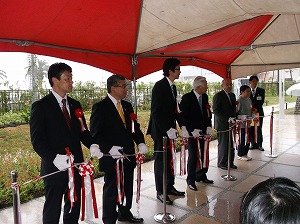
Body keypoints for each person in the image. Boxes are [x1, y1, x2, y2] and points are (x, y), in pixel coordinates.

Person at [30, 62, 103, 224]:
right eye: (67, 78)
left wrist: (92, 144)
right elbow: (37, 140)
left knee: (73, 204)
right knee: (53, 207)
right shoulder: (41, 107)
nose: (71, 82)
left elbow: (83, 131)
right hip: (55, 167)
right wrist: (54, 158)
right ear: (54, 80)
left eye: (71, 78)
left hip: (76, 164)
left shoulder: (75, 104)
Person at [90, 74, 148, 224]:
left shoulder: (127, 106)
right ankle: (109, 219)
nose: (125, 89)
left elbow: (135, 128)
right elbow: (96, 134)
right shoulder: (100, 107)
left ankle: (125, 213)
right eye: (123, 86)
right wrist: (109, 148)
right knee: (111, 188)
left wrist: (140, 142)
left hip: (127, 154)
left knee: (127, 185)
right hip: (112, 157)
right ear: (113, 88)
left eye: (126, 86)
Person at [147, 58, 189, 205]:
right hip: (160, 131)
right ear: (170, 70)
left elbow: (176, 110)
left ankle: (169, 186)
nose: (179, 71)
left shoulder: (173, 87)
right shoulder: (159, 86)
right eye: (178, 69)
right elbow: (156, 112)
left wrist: (183, 126)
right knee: (161, 162)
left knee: (170, 159)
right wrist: (166, 129)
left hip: (170, 130)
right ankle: (160, 191)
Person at [180, 76, 213, 191]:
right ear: (199, 86)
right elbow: (183, 117)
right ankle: (191, 180)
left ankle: (201, 175)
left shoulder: (205, 97)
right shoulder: (187, 98)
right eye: (205, 85)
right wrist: (190, 130)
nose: (207, 87)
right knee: (193, 156)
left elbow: (208, 112)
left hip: (203, 132)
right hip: (192, 133)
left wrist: (209, 125)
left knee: (204, 154)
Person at [213, 79, 237, 170]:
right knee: (223, 144)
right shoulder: (218, 96)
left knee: (231, 144)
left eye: (230, 84)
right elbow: (216, 111)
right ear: (222, 85)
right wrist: (227, 118)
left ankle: (230, 162)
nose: (229, 86)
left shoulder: (232, 95)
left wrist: (236, 117)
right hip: (222, 124)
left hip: (231, 124)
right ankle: (222, 163)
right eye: (227, 84)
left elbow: (233, 109)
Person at [236, 85, 254, 161]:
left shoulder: (249, 100)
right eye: (247, 91)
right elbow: (236, 113)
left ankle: (245, 153)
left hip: (249, 124)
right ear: (242, 92)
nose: (249, 93)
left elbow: (251, 109)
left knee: (248, 139)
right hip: (242, 125)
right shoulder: (239, 100)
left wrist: (253, 115)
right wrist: (243, 117)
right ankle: (240, 154)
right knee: (242, 139)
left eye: (249, 91)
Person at [249, 75, 265, 151]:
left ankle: (259, 144)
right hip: (250, 113)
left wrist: (256, 109)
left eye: (256, 81)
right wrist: (251, 110)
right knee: (251, 128)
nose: (254, 83)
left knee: (258, 129)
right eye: (253, 81)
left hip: (258, 112)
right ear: (250, 82)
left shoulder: (261, 91)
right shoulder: (247, 91)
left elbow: (261, 102)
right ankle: (253, 144)